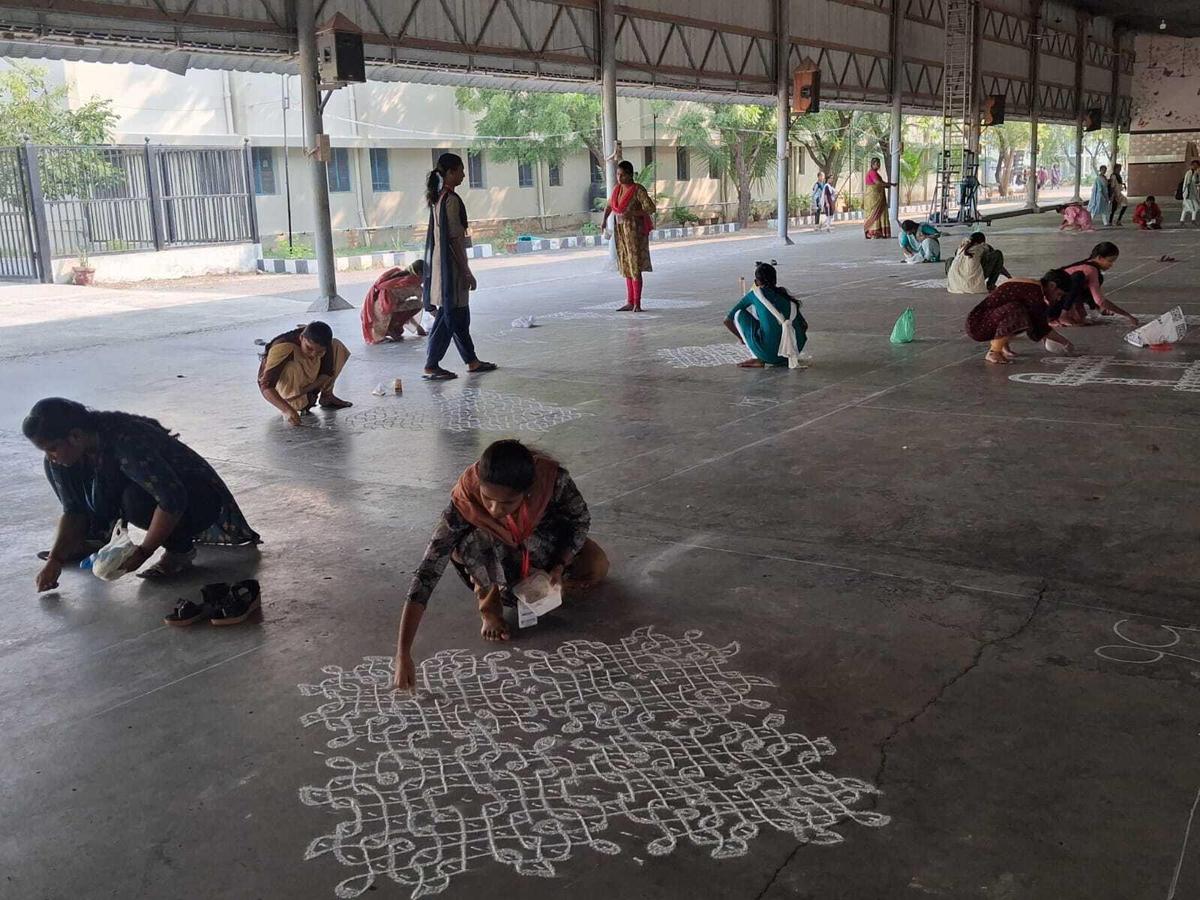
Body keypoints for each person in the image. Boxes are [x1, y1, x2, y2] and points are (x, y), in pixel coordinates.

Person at [392, 440, 609, 689]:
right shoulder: (465, 498)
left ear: (527, 493)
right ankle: (491, 607)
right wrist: (403, 653)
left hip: (541, 543)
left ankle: (541, 586)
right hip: (492, 557)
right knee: (476, 539)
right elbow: (427, 572)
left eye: (508, 503)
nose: (494, 509)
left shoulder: (552, 481)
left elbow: (580, 521)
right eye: (487, 498)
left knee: (596, 566)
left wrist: (560, 564)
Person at [24, 398, 260, 589]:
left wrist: (144, 551)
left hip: (196, 501)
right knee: (87, 484)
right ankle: (95, 538)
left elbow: (171, 498)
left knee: (134, 500)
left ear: (75, 436)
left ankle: (179, 551)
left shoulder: (126, 441)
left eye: (52, 448)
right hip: (165, 497)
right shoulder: (63, 459)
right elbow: (73, 510)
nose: (50, 457)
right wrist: (55, 560)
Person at [422, 151, 496, 381]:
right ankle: (431, 365)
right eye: (461, 170)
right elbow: (455, 240)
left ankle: (471, 361)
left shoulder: (439, 198)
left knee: (460, 316)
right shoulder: (451, 200)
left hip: (442, 265)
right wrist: (466, 271)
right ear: (451, 172)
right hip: (451, 268)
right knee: (450, 317)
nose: (464, 175)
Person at [965, 272, 1076, 364]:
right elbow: (1040, 327)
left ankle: (1002, 347)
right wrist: (1065, 342)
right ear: (1052, 285)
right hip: (978, 326)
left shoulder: (1032, 286)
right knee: (1018, 312)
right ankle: (994, 352)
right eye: (1059, 294)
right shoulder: (1034, 292)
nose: (1058, 298)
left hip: (981, 320)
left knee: (1025, 316)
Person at [258, 321, 352, 426]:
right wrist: (287, 410)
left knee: (336, 345)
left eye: (319, 352)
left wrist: (306, 390)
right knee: (292, 365)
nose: (313, 355)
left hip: (305, 390)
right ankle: (292, 403)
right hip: (289, 394)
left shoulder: (323, 344)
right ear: (301, 337)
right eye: (309, 348)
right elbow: (266, 386)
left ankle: (327, 396)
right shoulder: (283, 347)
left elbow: (326, 373)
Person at [723, 261, 808, 369]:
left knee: (739, 314)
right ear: (775, 280)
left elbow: (727, 320)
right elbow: (804, 325)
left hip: (769, 355)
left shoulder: (755, 294)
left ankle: (757, 358)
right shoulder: (785, 295)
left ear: (756, 282)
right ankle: (782, 351)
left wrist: (742, 339)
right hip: (793, 351)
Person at [602, 159, 656, 312]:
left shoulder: (638, 190)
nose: (619, 178)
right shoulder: (617, 190)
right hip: (621, 232)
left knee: (634, 265)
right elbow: (609, 206)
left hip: (634, 233)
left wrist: (633, 213)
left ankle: (637, 303)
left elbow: (650, 208)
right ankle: (630, 301)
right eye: (618, 175)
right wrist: (604, 220)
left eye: (622, 175)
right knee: (626, 265)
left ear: (630, 175)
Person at [1053, 242, 1138, 328]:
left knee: (1095, 280)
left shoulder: (1090, 267)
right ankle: (1063, 314)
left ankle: (1069, 311)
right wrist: (1127, 315)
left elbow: (1089, 293)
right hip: (1052, 298)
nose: (1111, 265)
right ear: (1099, 257)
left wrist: (1098, 307)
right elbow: (1100, 300)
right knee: (1079, 277)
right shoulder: (1091, 269)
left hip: (1059, 297)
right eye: (1110, 261)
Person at [361, 260, 427, 344]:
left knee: (408, 305)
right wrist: (419, 327)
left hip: (377, 309)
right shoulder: (413, 282)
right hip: (383, 312)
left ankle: (390, 329)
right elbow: (427, 302)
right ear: (420, 273)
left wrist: (418, 327)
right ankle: (389, 329)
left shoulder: (400, 275)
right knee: (419, 304)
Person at [863, 158, 895, 240]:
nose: (878, 165)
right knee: (875, 214)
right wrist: (888, 185)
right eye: (876, 163)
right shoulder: (872, 173)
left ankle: (880, 232)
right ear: (872, 164)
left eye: (879, 163)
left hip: (877, 197)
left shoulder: (875, 173)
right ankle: (873, 233)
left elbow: (881, 183)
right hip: (874, 198)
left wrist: (890, 184)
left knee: (880, 213)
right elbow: (878, 183)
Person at [1181, 160, 1200, 224]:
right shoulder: (1190, 173)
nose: (1195, 166)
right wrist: (1186, 193)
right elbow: (1188, 183)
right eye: (1194, 165)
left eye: (1196, 165)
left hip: (1191, 193)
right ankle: (1193, 220)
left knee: (1186, 207)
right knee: (1195, 206)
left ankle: (1182, 220)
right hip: (1189, 193)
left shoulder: (1194, 172)